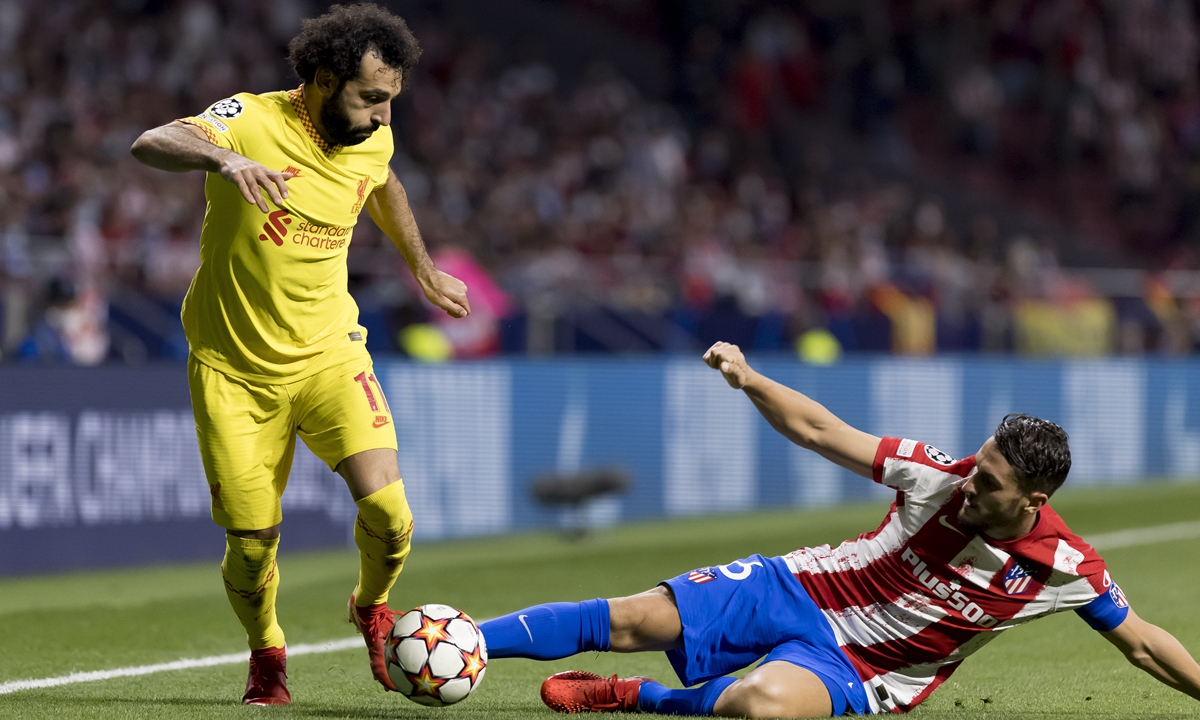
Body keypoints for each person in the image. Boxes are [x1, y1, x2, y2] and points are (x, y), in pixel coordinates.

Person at [477, 342, 1200, 717]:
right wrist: (751, 379)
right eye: (977, 464)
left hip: (865, 669)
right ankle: (466, 641)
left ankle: (638, 698)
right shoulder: (937, 474)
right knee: (634, 618)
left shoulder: (1064, 566)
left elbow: (1144, 643)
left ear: (1033, 499)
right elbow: (823, 431)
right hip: (803, 586)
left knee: (763, 705)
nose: (969, 483)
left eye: (989, 483)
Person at [130, 3, 469, 706]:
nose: (382, 117)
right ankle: (267, 652)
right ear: (321, 78)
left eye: (391, 101)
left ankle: (371, 604)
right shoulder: (251, 118)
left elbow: (383, 185)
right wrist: (223, 158)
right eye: (370, 98)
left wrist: (424, 268)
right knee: (253, 544)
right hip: (233, 370)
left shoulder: (371, 139)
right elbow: (150, 141)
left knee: (391, 513)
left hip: (328, 355)